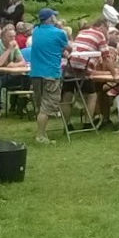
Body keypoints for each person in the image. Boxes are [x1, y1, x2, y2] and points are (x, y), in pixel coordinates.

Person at [28, 8, 71, 144]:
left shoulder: (36, 32)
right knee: (47, 106)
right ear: (50, 18)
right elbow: (69, 48)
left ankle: (42, 133)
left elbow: (49, 47)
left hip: (36, 73)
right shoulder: (59, 33)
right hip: (51, 73)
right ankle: (40, 136)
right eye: (54, 16)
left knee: (41, 104)